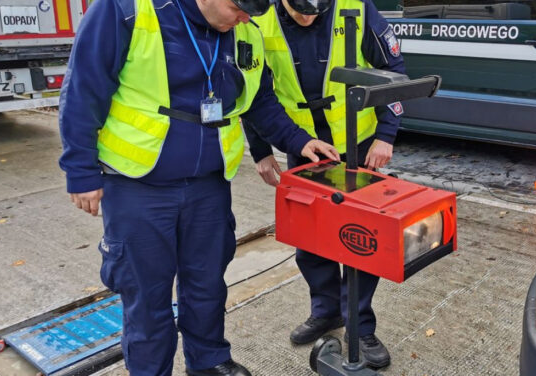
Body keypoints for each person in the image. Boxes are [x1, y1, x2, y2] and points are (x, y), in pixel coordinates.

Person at [57, 0, 340, 374]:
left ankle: (208, 361)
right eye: (238, 8)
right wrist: (80, 171)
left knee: (207, 285)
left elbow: (260, 101)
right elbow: (82, 90)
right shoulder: (127, 11)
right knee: (147, 296)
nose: (245, 18)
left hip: (208, 186)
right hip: (139, 186)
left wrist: (299, 141)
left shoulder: (245, 31)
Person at [242, 0, 405, 368]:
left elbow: (393, 69)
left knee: (362, 240)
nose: (308, 17)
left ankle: (359, 326)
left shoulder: (357, 9)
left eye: (316, 10)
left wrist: (386, 135)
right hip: (304, 148)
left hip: (360, 147)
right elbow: (253, 93)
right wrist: (260, 151)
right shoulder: (258, 19)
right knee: (310, 240)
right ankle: (326, 310)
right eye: (300, 11)